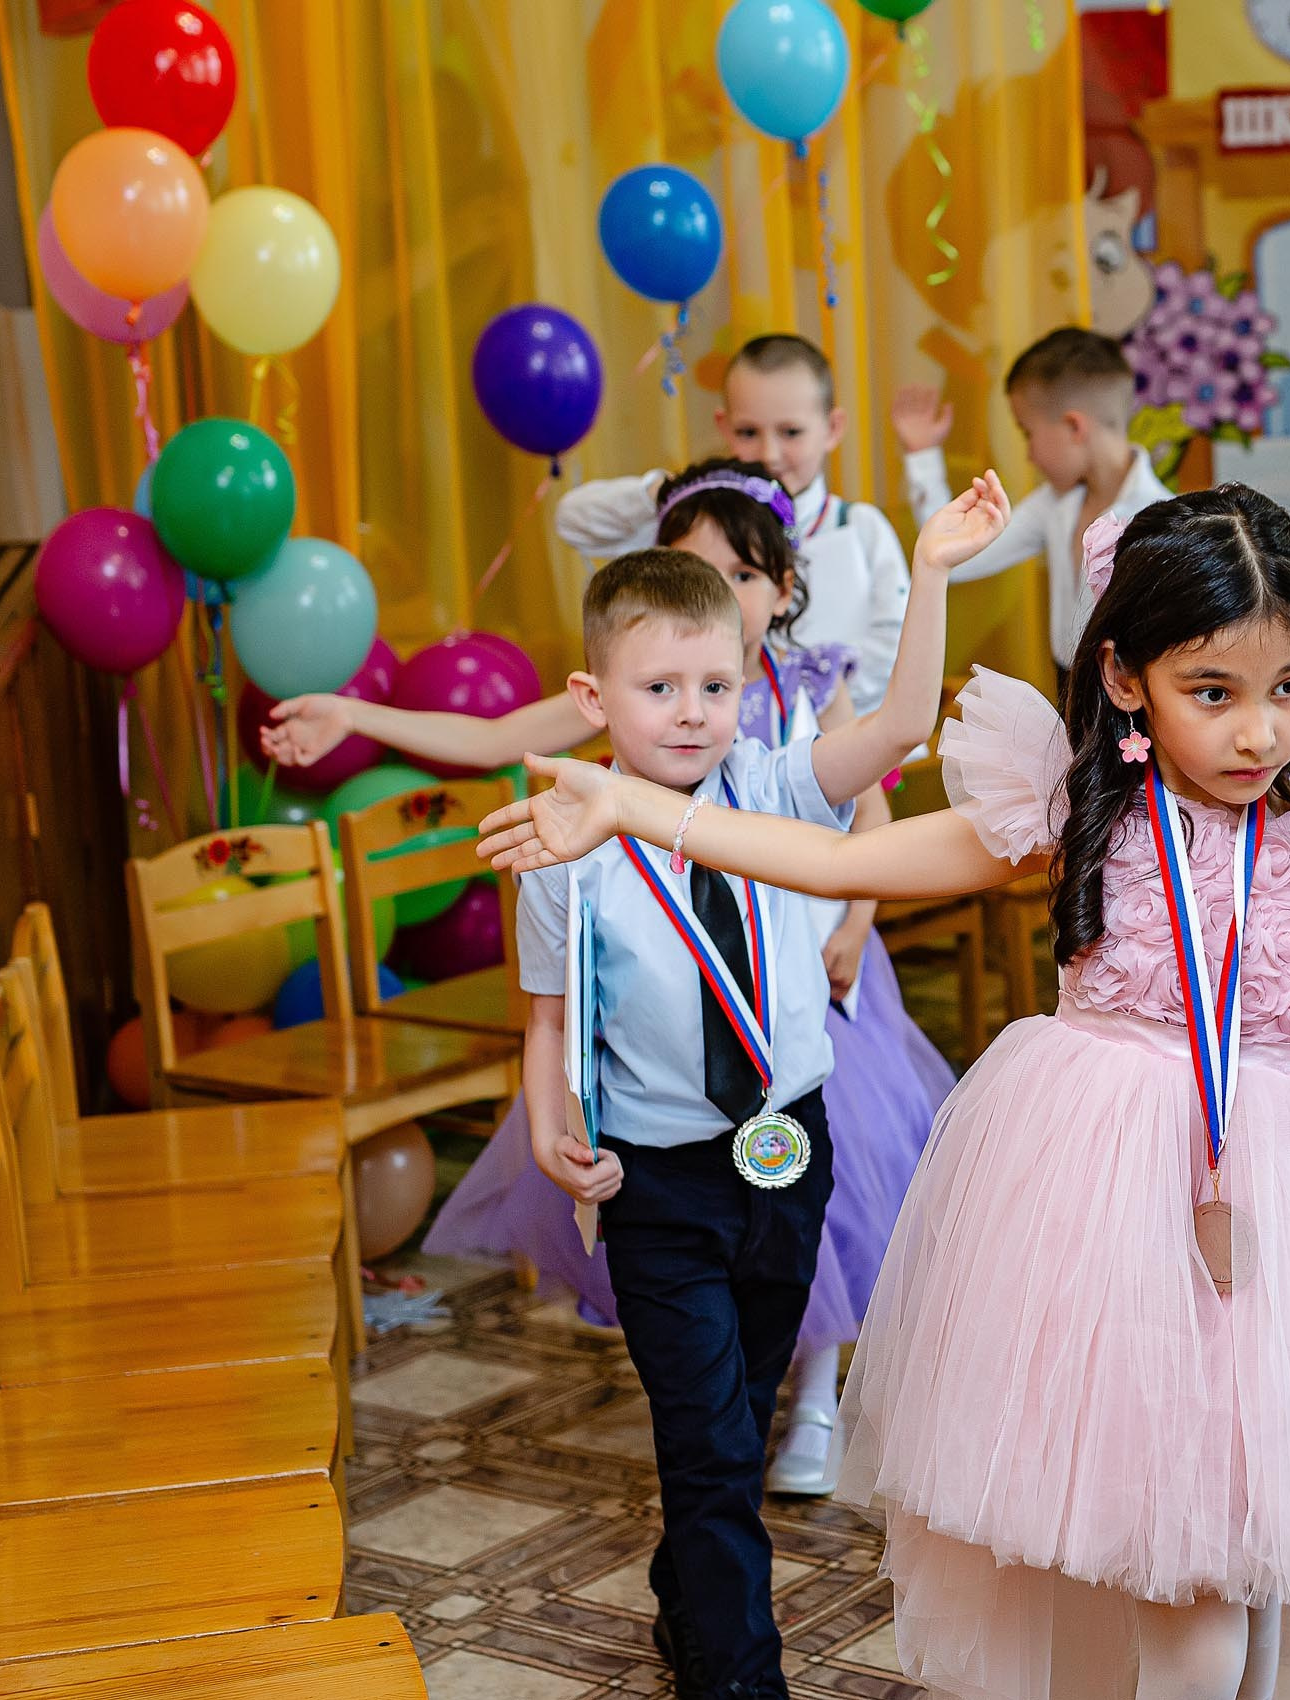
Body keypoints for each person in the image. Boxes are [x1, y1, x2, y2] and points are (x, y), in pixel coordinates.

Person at [477, 485, 1290, 1700]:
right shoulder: (1081, 817)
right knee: (1189, 1582)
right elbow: (841, 858)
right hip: (1110, 1210)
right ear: (1126, 679)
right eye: (1213, 692)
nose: (1260, 732)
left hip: (1287, 1234)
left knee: (1264, 1572)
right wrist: (629, 803)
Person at [265, 459, 960, 1498]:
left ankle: (807, 1400)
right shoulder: (635, 705)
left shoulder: (798, 706)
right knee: (694, 1259)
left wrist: (856, 921)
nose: (718, 600)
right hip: (659, 1011)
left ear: (778, 589)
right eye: (694, 572)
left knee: (827, 1216)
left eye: (742, 576)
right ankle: (717, 1456)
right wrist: (358, 719)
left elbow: (876, 799)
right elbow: (498, 741)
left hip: (804, 995)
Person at [506, 479, 1006, 1699]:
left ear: (752, 680)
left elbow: (893, 731)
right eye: (658, 688)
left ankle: (689, 1594)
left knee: (741, 1407)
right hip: (659, 1180)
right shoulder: (568, 849)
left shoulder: (778, 790)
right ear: (593, 697)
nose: (691, 714)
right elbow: (546, 1021)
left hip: (788, 1153)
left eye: (716, 687)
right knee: (713, 1440)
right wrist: (547, 1130)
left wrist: (932, 569)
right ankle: (738, 1672)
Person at [554, 333, 910, 717]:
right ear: (724, 427)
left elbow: (895, 644)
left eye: (791, 432)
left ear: (833, 428)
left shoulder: (860, 528)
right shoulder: (697, 526)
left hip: (848, 735)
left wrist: (808, 705)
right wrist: (666, 490)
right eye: (748, 432)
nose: (770, 453)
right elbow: (573, 521)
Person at [891, 325, 1173, 687]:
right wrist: (922, 457)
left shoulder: (1162, 519)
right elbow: (957, 558)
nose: (1029, 455)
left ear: (1074, 426)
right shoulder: (1051, 506)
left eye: (1028, 432)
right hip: (1067, 694)